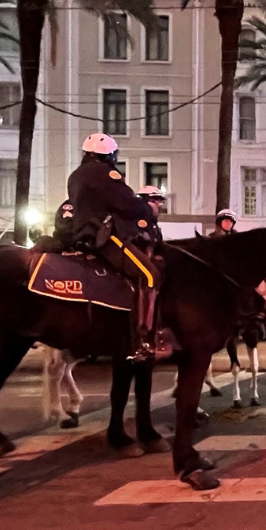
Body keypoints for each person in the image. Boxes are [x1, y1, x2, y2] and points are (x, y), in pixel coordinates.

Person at [67, 133, 161, 360]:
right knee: (150, 275)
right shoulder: (105, 174)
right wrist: (147, 210)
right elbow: (126, 203)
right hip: (103, 236)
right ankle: (142, 338)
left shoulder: (76, 175)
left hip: (81, 233)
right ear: (108, 155)